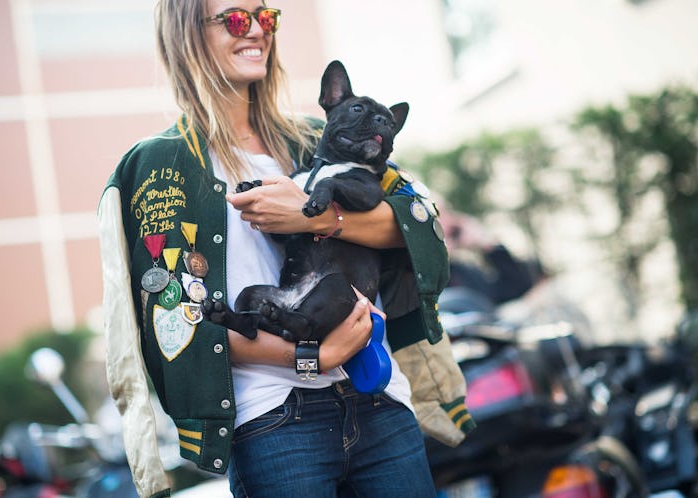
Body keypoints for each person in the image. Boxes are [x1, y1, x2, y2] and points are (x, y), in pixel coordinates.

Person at [98, 2, 473, 497]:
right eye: (235, 19)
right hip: (275, 424)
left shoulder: (321, 137)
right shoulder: (159, 167)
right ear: (187, 34)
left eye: (265, 17)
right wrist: (310, 357)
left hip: (381, 403)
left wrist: (313, 217)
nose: (255, 30)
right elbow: (177, 322)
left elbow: (418, 227)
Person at [438, 204, 534, 307]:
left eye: (446, 214)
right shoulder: (427, 278)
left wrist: (487, 243)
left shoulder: (462, 270)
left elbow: (513, 292)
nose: (448, 222)